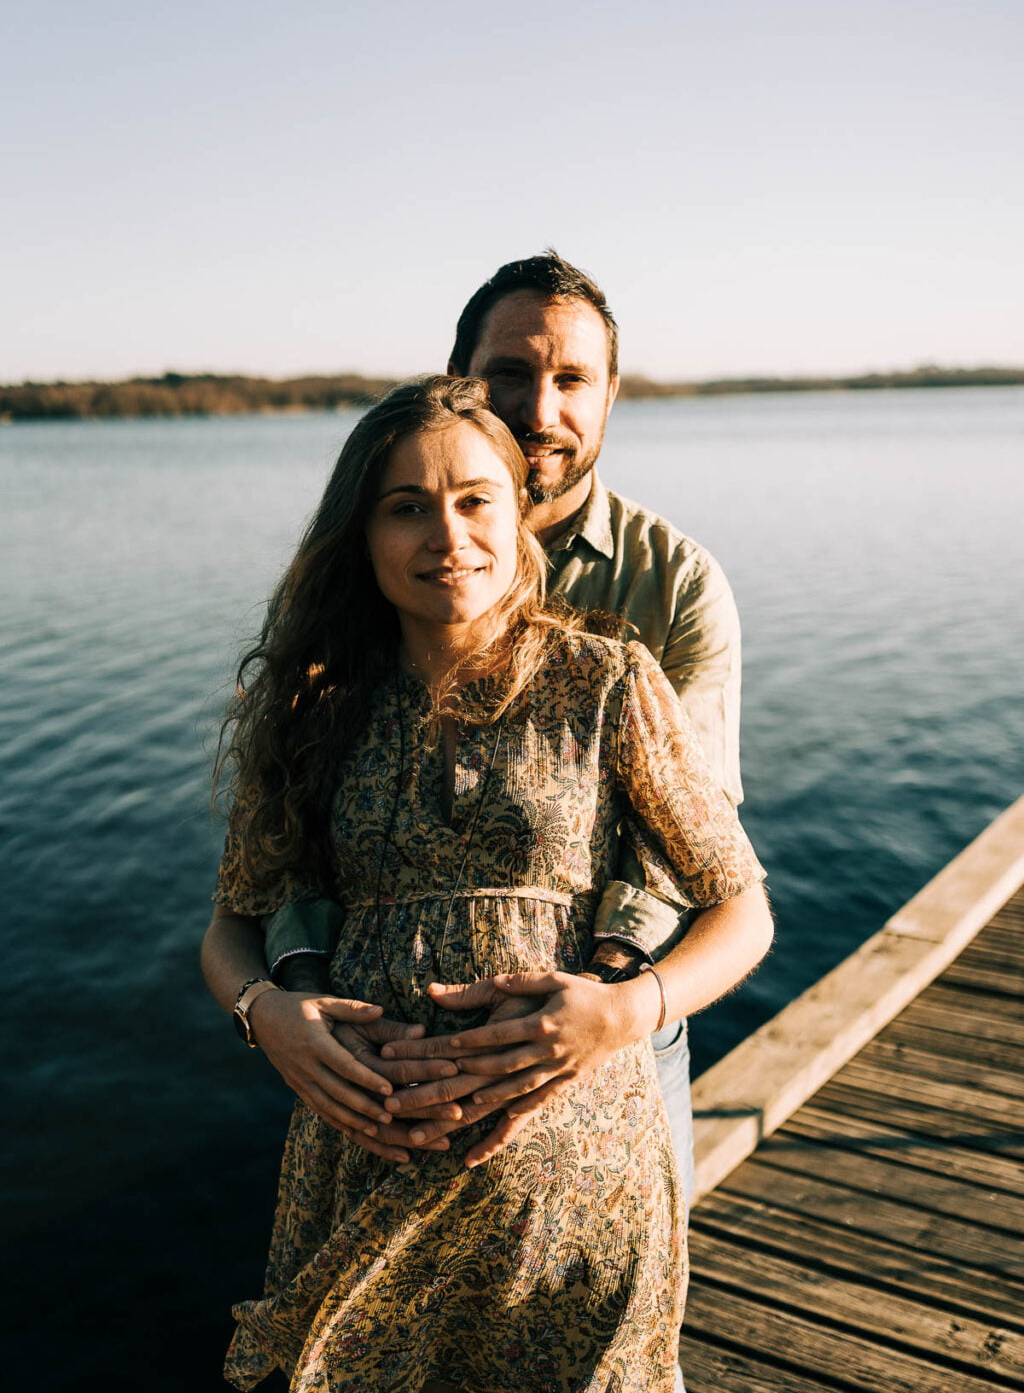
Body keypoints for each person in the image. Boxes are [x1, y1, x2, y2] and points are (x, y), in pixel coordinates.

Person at [202, 376, 769, 1391]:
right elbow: (229, 929)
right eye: (405, 507)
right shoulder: (310, 706)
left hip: (576, 1182)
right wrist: (266, 1013)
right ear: (362, 535)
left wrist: (631, 1009)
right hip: (362, 1158)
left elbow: (741, 910)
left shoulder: (604, 680)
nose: (444, 533)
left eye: (473, 499)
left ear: (519, 517)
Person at [253, 253, 749, 1195]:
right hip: (383, 1067)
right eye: (511, 374)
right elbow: (281, 842)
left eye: (572, 381)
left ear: (610, 396)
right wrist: (285, 995)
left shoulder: (672, 587)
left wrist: (606, 1003)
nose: (541, 410)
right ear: (459, 380)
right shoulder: (375, 572)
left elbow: (698, 839)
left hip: (609, 1034)